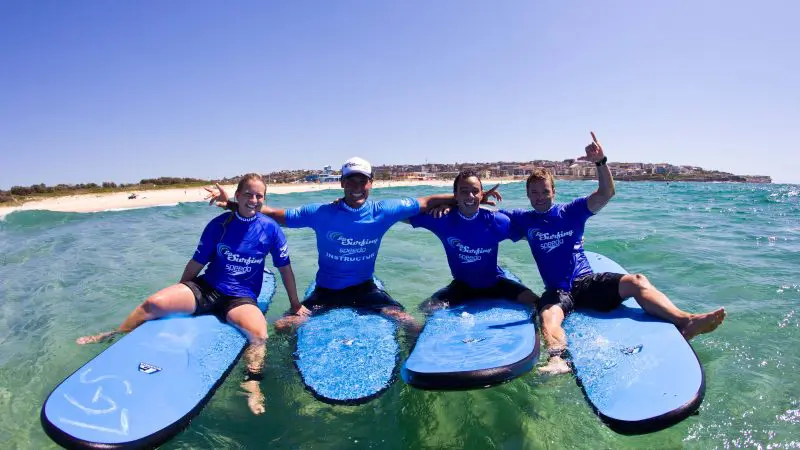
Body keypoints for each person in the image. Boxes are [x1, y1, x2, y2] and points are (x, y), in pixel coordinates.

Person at [77, 173, 309, 414]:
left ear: (264, 199)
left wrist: (295, 304)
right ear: (237, 196)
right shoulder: (218, 225)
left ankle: (251, 381)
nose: (253, 199)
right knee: (153, 303)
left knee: (259, 335)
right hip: (207, 288)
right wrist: (181, 292)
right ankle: (116, 333)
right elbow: (197, 262)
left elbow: (285, 269)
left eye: (259, 195)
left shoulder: (270, 230)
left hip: (240, 297)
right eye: (248, 194)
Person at [502, 132, 727, 375]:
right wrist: (463, 201)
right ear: (527, 195)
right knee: (548, 314)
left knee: (638, 281)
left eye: (544, 191)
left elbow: (606, 193)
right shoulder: (523, 220)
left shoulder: (571, 212)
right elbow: (484, 220)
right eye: (534, 193)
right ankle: (557, 359)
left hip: (586, 282)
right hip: (558, 291)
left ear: (553, 192)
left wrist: (600, 162)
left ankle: (686, 321)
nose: (539, 197)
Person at [207, 157, 499, 334]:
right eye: (351, 181)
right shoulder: (321, 213)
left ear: (372, 183)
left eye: (363, 181)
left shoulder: (384, 210)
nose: (357, 187)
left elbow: (426, 202)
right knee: (285, 327)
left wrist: (467, 200)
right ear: (342, 184)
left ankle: (414, 368)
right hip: (327, 291)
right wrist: (232, 203)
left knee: (409, 323)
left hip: (365, 289)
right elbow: (275, 215)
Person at [410, 169, 539, 312]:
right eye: (464, 191)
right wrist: (447, 204)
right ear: (455, 195)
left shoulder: (496, 221)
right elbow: (404, 213)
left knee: (534, 300)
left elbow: (529, 235)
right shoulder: (443, 219)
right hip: (462, 287)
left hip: (494, 284)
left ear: (482, 195)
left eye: (475, 191)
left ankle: (539, 334)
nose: (470, 196)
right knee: (425, 309)